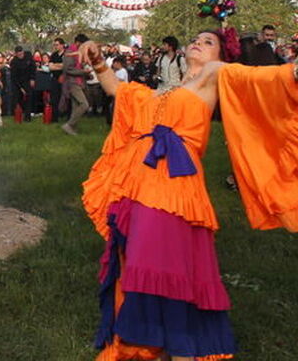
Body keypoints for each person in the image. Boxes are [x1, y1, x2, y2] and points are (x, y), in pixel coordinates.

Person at [79, 30, 298, 361]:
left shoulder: (212, 75)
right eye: (195, 39)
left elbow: (263, 78)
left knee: (160, 266)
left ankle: (181, 348)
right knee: (142, 263)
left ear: (220, 55)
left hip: (174, 186)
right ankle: (162, 347)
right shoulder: (158, 93)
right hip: (136, 185)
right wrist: (96, 58)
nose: (198, 42)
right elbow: (116, 90)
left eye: (208, 42)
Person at [60, 34, 90, 136]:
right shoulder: (69, 52)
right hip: (72, 82)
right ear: (78, 43)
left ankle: (71, 128)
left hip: (78, 82)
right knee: (84, 104)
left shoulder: (77, 53)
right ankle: (69, 125)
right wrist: (83, 72)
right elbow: (68, 69)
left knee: (76, 106)